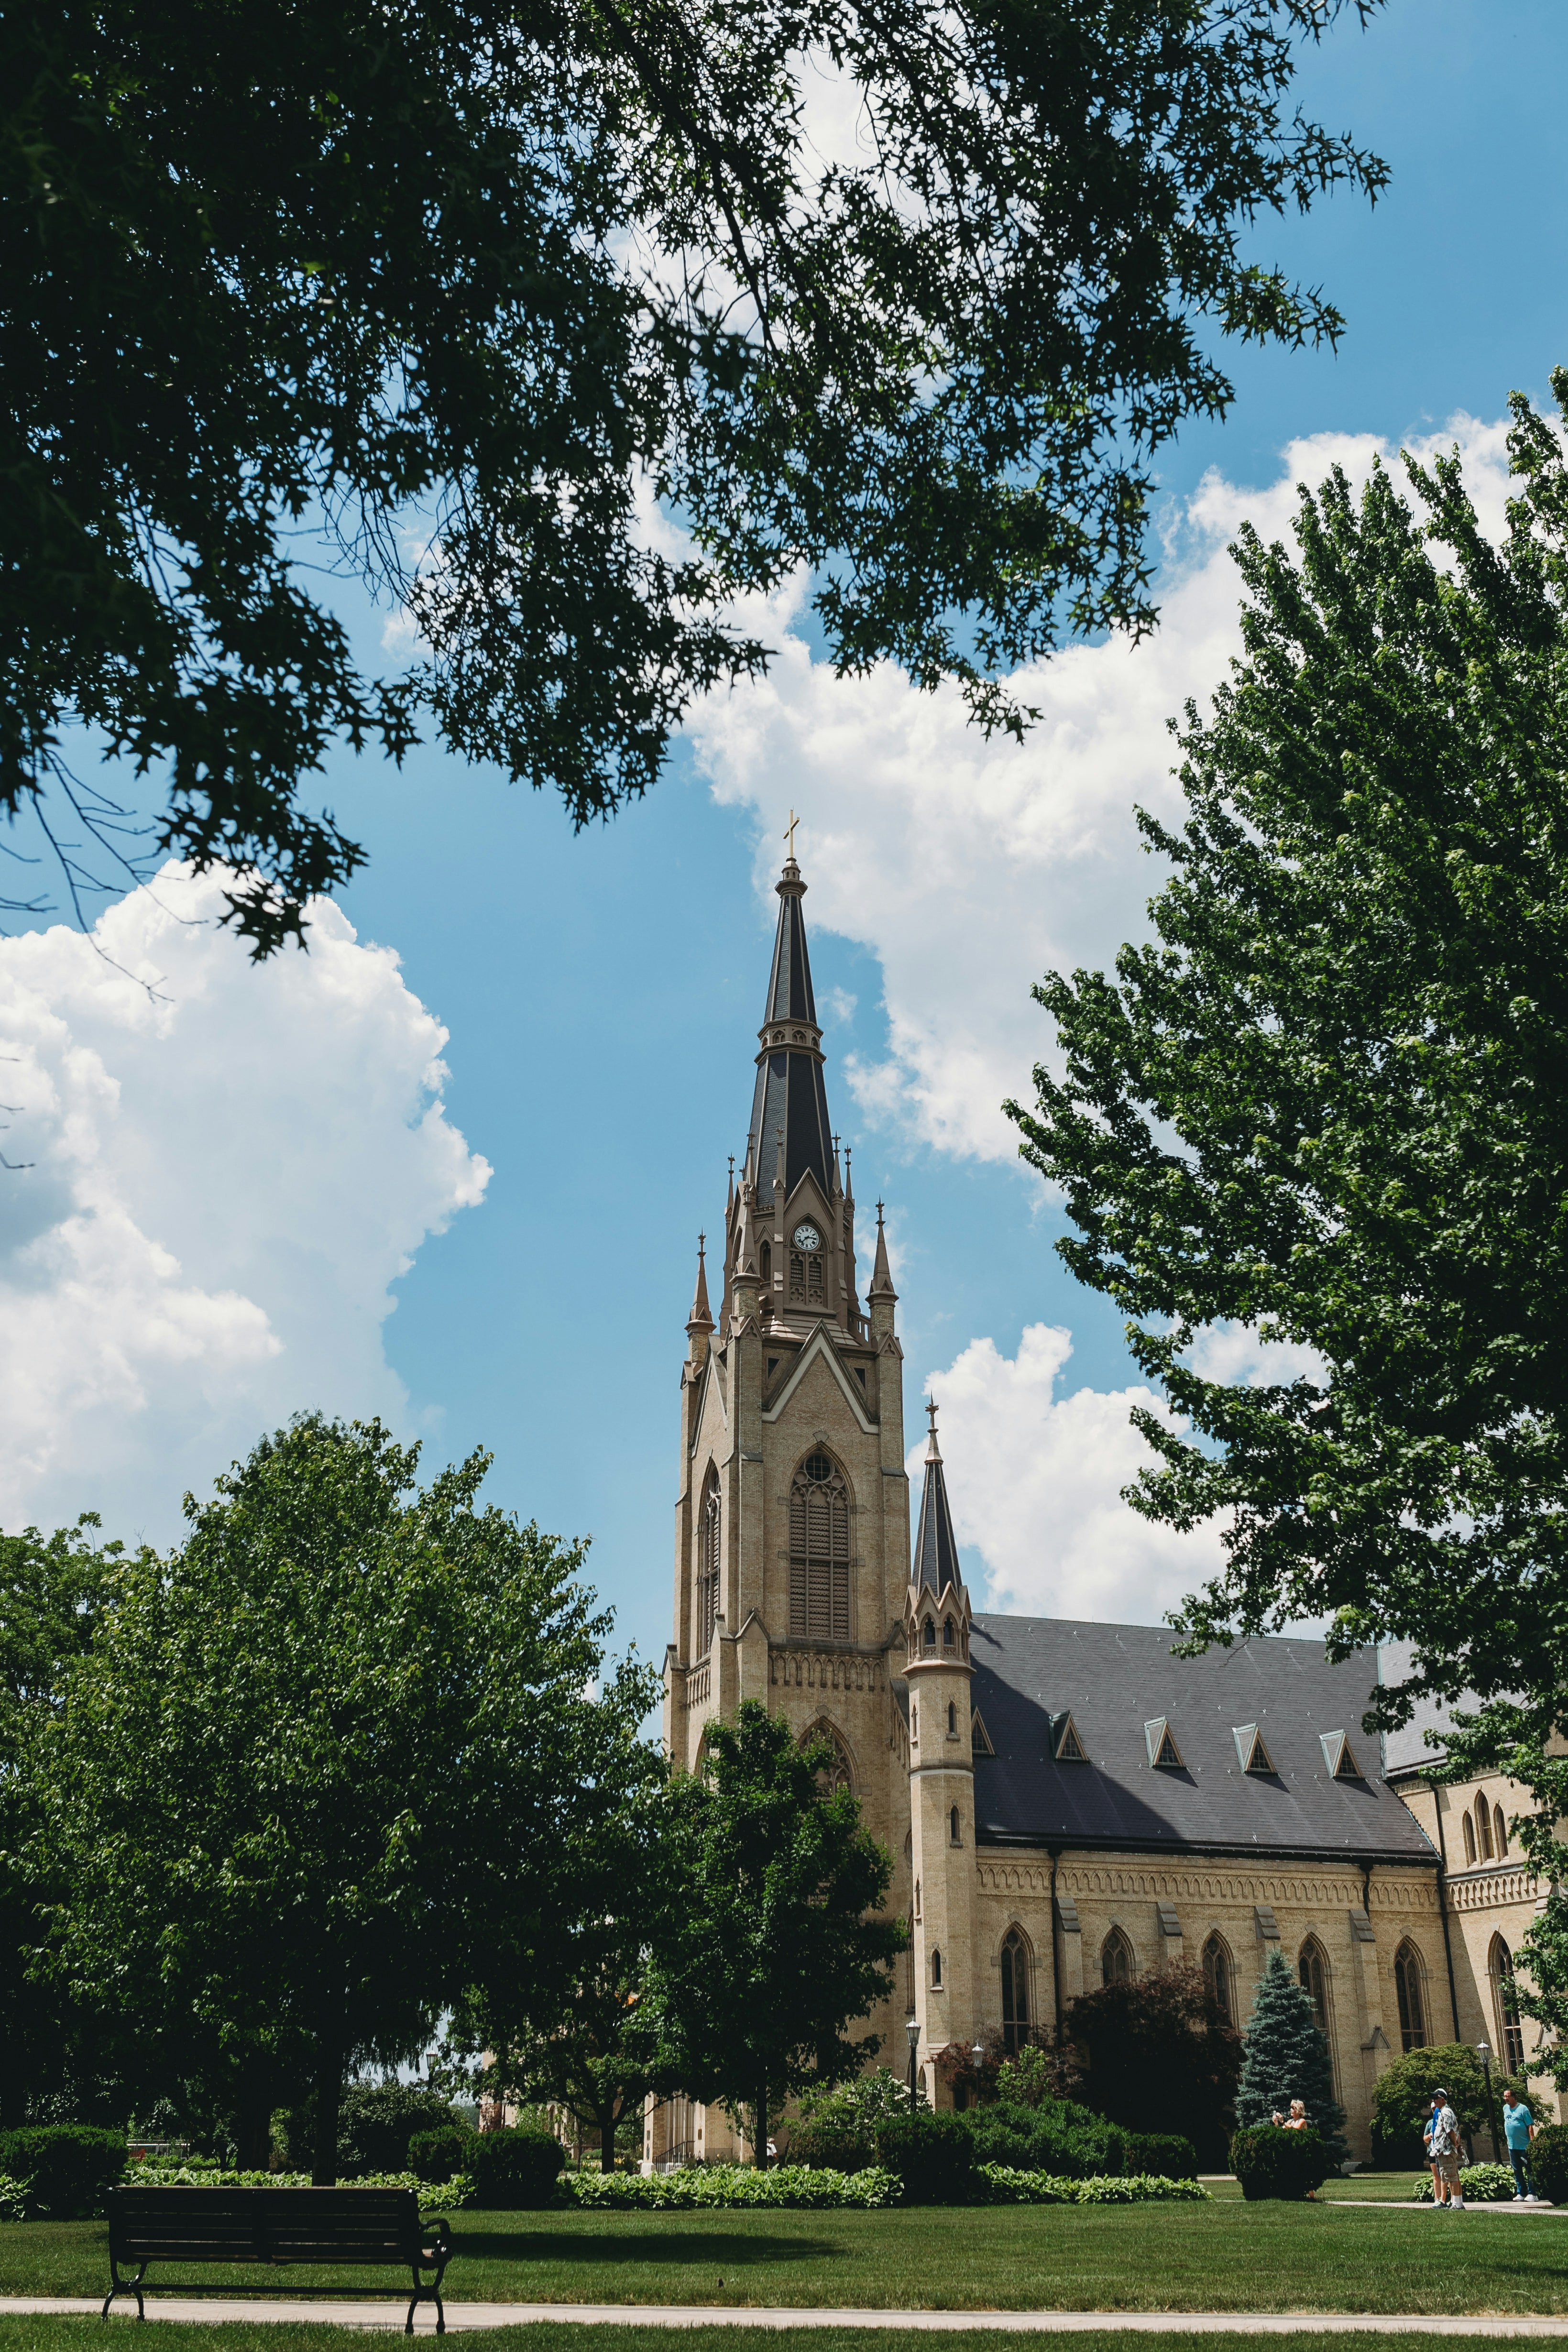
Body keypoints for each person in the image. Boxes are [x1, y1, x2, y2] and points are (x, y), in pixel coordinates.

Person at [1430, 2087, 1464, 2210]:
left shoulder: (1446, 2112)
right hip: (1445, 2150)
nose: (1434, 2101)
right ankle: (1458, 2202)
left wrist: (1455, 2145)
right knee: (1452, 2176)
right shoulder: (1444, 2111)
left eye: (1436, 2098)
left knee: (1451, 2177)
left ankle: (1456, 2204)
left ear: (1442, 2099)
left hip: (1447, 2150)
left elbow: (1450, 2131)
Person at [1503, 2090, 1538, 2202]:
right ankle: (1521, 2193)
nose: (1506, 2099)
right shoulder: (1505, 2108)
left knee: (1530, 2169)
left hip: (1524, 2146)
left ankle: (1533, 2194)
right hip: (1512, 2147)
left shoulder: (1523, 2109)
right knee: (1517, 2170)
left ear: (1514, 2097)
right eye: (1504, 2097)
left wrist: (1532, 2143)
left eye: (1508, 2096)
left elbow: (1530, 2126)